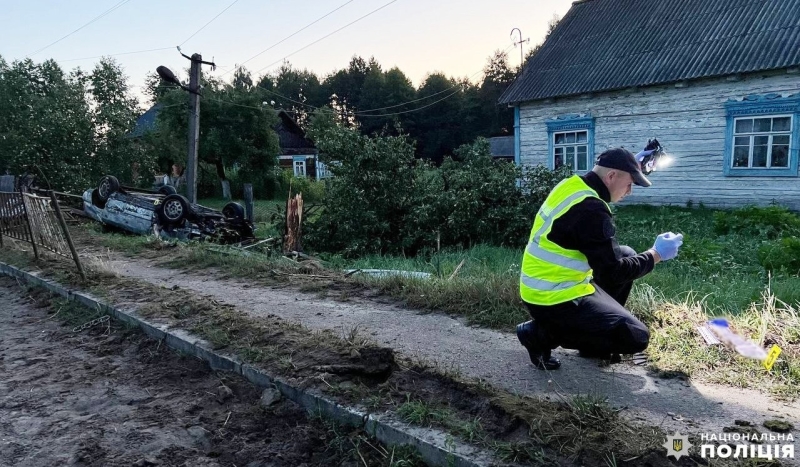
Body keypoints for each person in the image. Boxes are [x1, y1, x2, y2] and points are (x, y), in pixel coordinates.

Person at [516, 146, 684, 370]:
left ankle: (592, 346)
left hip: (542, 284)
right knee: (635, 337)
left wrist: (632, 165)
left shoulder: (572, 185)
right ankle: (539, 334)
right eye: (629, 183)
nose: (630, 191)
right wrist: (656, 255)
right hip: (552, 298)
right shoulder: (591, 210)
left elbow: (607, 260)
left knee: (627, 254)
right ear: (612, 176)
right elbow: (613, 272)